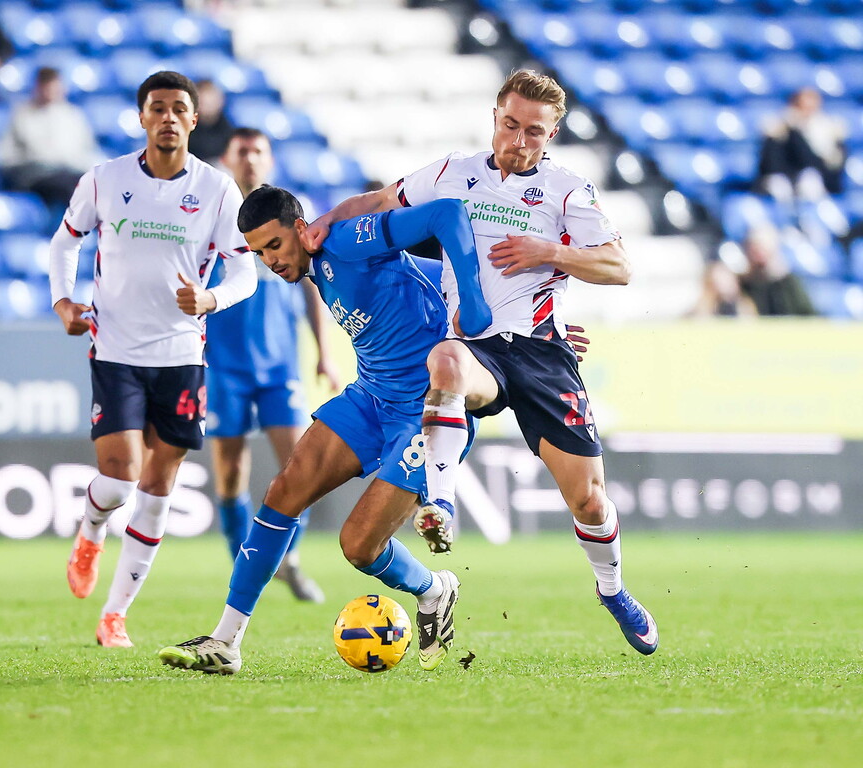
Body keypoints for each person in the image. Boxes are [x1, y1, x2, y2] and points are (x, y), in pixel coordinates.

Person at [305, 69, 658, 656]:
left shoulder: (568, 191)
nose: (518, 140)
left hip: (544, 354)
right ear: (495, 118)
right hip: (478, 348)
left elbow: (619, 266)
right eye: (510, 125)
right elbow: (379, 202)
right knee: (443, 360)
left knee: (591, 500)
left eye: (534, 132)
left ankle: (612, 588)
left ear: (552, 136)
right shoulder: (453, 173)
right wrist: (325, 220)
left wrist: (553, 252)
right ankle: (439, 504)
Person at [157, 186, 491, 675]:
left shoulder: (347, 241)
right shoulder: (315, 268)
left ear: (300, 228)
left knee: (358, 547)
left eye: (274, 245)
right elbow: (425, 277)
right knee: (284, 489)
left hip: (423, 412)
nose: (269, 261)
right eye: (257, 252)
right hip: (370, 395)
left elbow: (446, 214)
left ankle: (435, 589)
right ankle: (226, 641)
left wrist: (490, 313)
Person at [48, 71, 258, 648]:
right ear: (142, 118)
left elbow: (246, 270)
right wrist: (63, 300)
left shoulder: (216, 190)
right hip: (114, 348)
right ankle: (91, 529)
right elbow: (65, 241)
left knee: (159, 485)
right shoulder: (105, 180)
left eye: (178, 110)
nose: (167, 117)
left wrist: (211, 298)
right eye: (157, 108)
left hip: (182, 355)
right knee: (119, 479)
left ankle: (115, 615)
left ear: (193, 121)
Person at [206, 127, 338, 603]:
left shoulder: (289, 219)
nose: (249, 160)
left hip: (280, 362)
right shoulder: (213, 213)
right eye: (241, 151)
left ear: (270, 159)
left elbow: (310, 287)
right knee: (229, 471)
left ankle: (291, 558)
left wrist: (323, 352)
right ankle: (242, 565)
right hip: (223, 364)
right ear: (226, 158)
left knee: (299, 463)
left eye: (258, 151)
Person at [0, 67, 102, 211]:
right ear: (38, 88)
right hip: (35, 175)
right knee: (72, 188)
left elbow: (86, 149)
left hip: (69, 171)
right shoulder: (23, 114)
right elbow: (19, 155)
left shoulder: (72, 115)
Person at [757, 87, 847, 203]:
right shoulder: (778, 129)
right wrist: (793, 130)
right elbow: (770, 164)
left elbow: (826, 166)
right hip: (785, 179)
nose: (807, 112)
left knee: (810, 181)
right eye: (802, 107)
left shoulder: (828, 130)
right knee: (779, 185)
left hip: (817, 182)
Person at [739, 225, 816, 316]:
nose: (758, 253)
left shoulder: (788, 283)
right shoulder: (741, 284)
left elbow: (807, 314)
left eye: (762, 247)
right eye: (754, 247)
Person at [690, 259, 758, 318]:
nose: (726, 280)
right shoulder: (702, 307)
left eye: (729, 276)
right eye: (722, 274)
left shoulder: (744, 306)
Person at [187, 79, 233, 165]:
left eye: (211, 101)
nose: (208, 106)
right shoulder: (185, 130)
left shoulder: (228, 129)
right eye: (204, 102)